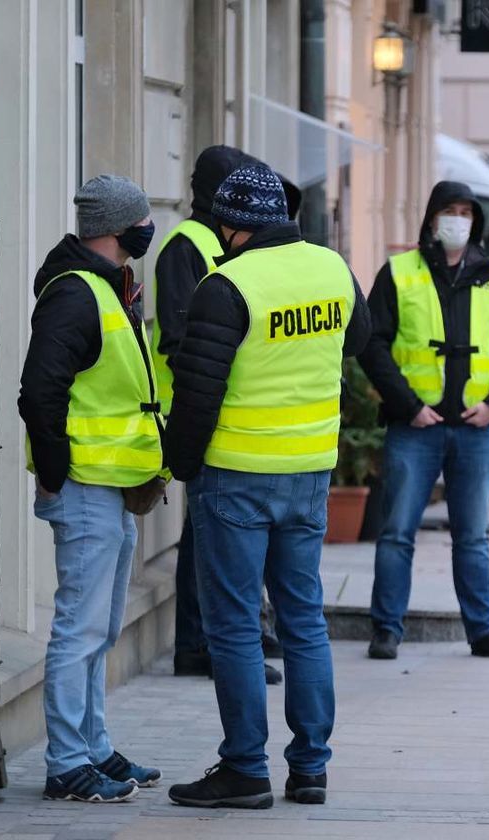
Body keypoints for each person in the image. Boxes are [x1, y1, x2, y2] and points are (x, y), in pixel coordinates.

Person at [163, 163, 371, 808]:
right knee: (304, 619)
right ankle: (310, 768)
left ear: (231, 224)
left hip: (237, 475)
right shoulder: (332, 267)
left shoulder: (226, 284)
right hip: (308, 471)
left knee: (232, 627)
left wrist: (180, 463)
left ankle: (246, 768)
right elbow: (359, 339)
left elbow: (198, 391)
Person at [19, 175, 166, 802]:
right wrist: (59, 474)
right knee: (79, 629)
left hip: (111, 483)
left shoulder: (109, 287)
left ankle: (95, 748)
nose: (148, 228)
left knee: (102, 627)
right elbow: (39, 394)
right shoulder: (77, 294)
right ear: (118, 228)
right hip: (85, 484)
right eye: (140, 220)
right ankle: (66, 763)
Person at [360, 181, 489, 662]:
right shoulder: (398, 273)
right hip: (414, 427)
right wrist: (408, 404)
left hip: (476, 429)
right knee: (396, 533)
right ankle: (387, 629)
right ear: (431, 218)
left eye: (465, 212)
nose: (458, 220)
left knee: (472, 537)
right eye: (449, 211)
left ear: (476, 221)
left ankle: (482, 630)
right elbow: (373, 345)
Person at [155, 145, 292, 686]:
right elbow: (181, 338)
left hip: (235, 413)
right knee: (203, 539)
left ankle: (227, 635)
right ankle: (198, 644)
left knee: (221, 536)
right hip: (200, 410)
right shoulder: (187, 246)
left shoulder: (231, 243)